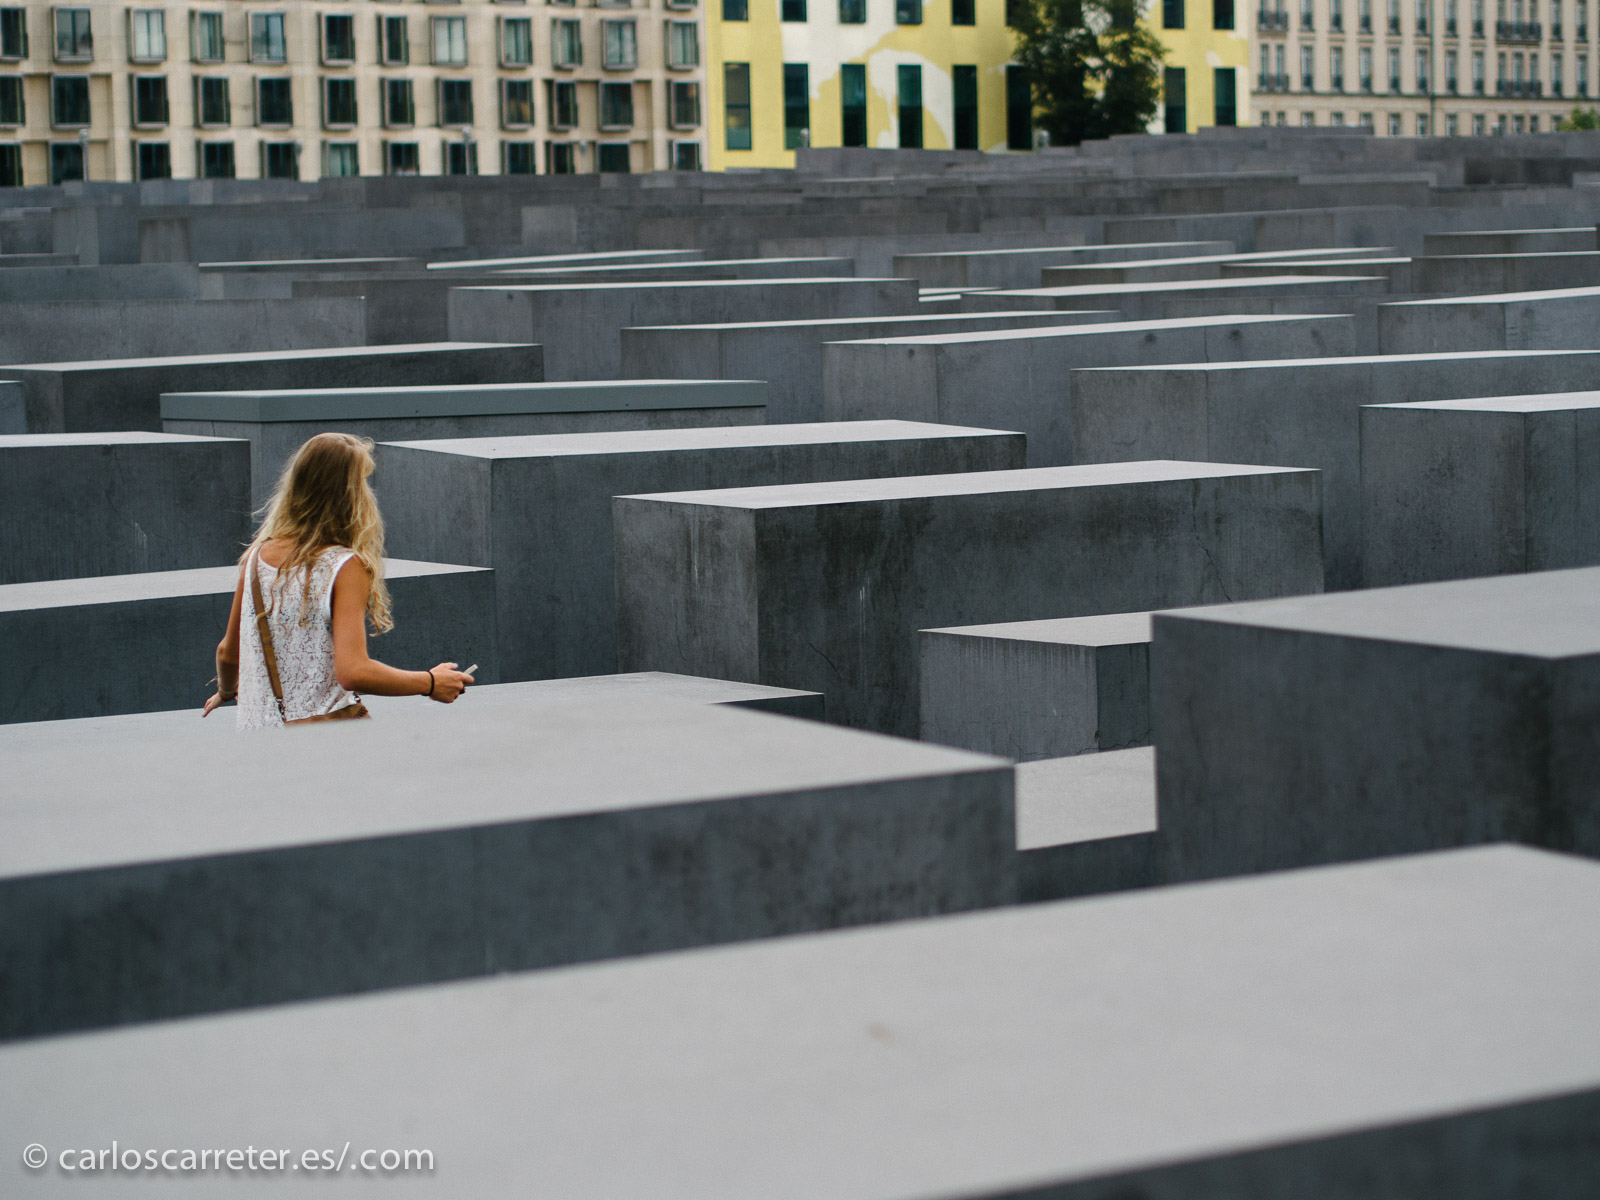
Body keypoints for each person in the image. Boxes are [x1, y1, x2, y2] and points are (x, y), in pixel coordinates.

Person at [203, 432, 473, 729]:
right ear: (351, 495)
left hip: (256, 740)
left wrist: (225, 692)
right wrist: (431, 682)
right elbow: (353, 672)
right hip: (325, 742)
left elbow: (227, 653)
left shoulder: (256, 557)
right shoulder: (343, 565)